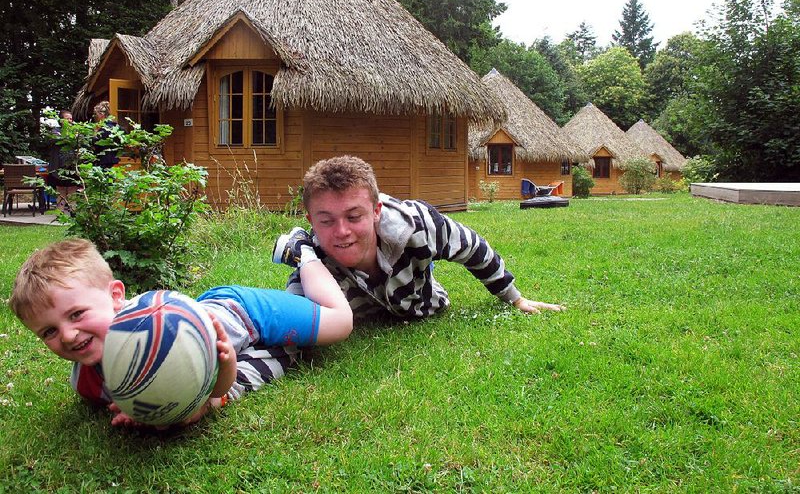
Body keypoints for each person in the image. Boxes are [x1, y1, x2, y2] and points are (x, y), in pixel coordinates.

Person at [10, 237, 352, 428]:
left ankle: (305, 253)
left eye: (77, 314)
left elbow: (217, 385)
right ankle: (296, 298)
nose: (68, 335)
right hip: (236, 343)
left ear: (116, 296)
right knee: (293, 354)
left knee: (339, 323)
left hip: (244, 313)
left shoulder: (157, 326)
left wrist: (224, 369)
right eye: (49, 331)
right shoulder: (86, 384)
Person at [276, 155, 564, 321]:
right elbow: (287, 332)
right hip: (369, 304)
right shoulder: (310, 271)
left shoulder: (419, 225)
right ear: (310, 220)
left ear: (376, 211)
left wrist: (514, 298)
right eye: (326, 221)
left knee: (420, 253)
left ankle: (423, 267)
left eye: (354, 217)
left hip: (422, 297)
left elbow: (474, 248)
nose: (341, 231)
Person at [92, 101, 121, 169]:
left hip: (102, 162)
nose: (95, 116)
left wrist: (95, 132)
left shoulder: (102, 129)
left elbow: (95, 144)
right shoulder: (117, 127)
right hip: (115, 161)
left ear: (101, 114)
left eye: (96, 114)